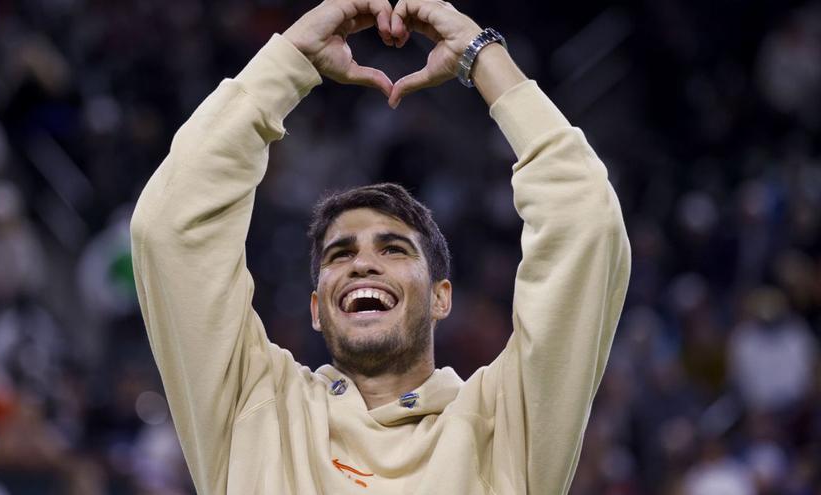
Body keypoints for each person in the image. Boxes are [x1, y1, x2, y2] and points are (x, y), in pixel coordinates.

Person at [130, 0, 631, 493]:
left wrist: (481, 55)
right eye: (339, 254)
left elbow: (586, 222)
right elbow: (172, 229)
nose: (362, 264)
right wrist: (292, 58)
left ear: (441, 297)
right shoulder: (255, 408)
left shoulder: (502, 425)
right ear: (316, 309)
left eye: (393, 249)